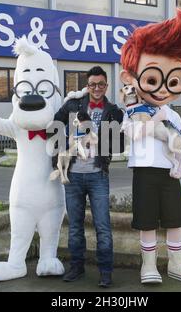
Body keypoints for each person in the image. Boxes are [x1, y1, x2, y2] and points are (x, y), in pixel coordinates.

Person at [120, 8, 181, 284]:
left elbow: (180, 142)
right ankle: (149, 266)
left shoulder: (173, 113)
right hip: (145, 172)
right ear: (131, 77)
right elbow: (132, 136)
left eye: (172, 80)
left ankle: (177, 263)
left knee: (174, 221)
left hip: (171, 174)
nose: (161, 89)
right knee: (146, 222)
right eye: (152, 79)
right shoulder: (132, 110)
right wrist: (154, 119)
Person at [53, 66, 124, 288]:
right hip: (72, 175)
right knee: (75, 226)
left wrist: (100, 135)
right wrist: (65, 145)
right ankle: (76, 267)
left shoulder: (112, 111)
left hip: (97, 175)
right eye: (92, 84)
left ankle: (105, 271)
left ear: (106, 86)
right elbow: (55, 124)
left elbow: (118, 145)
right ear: (87, 85)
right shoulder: (74, 105)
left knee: (103, 226)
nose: (96, 88)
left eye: (101, 84)